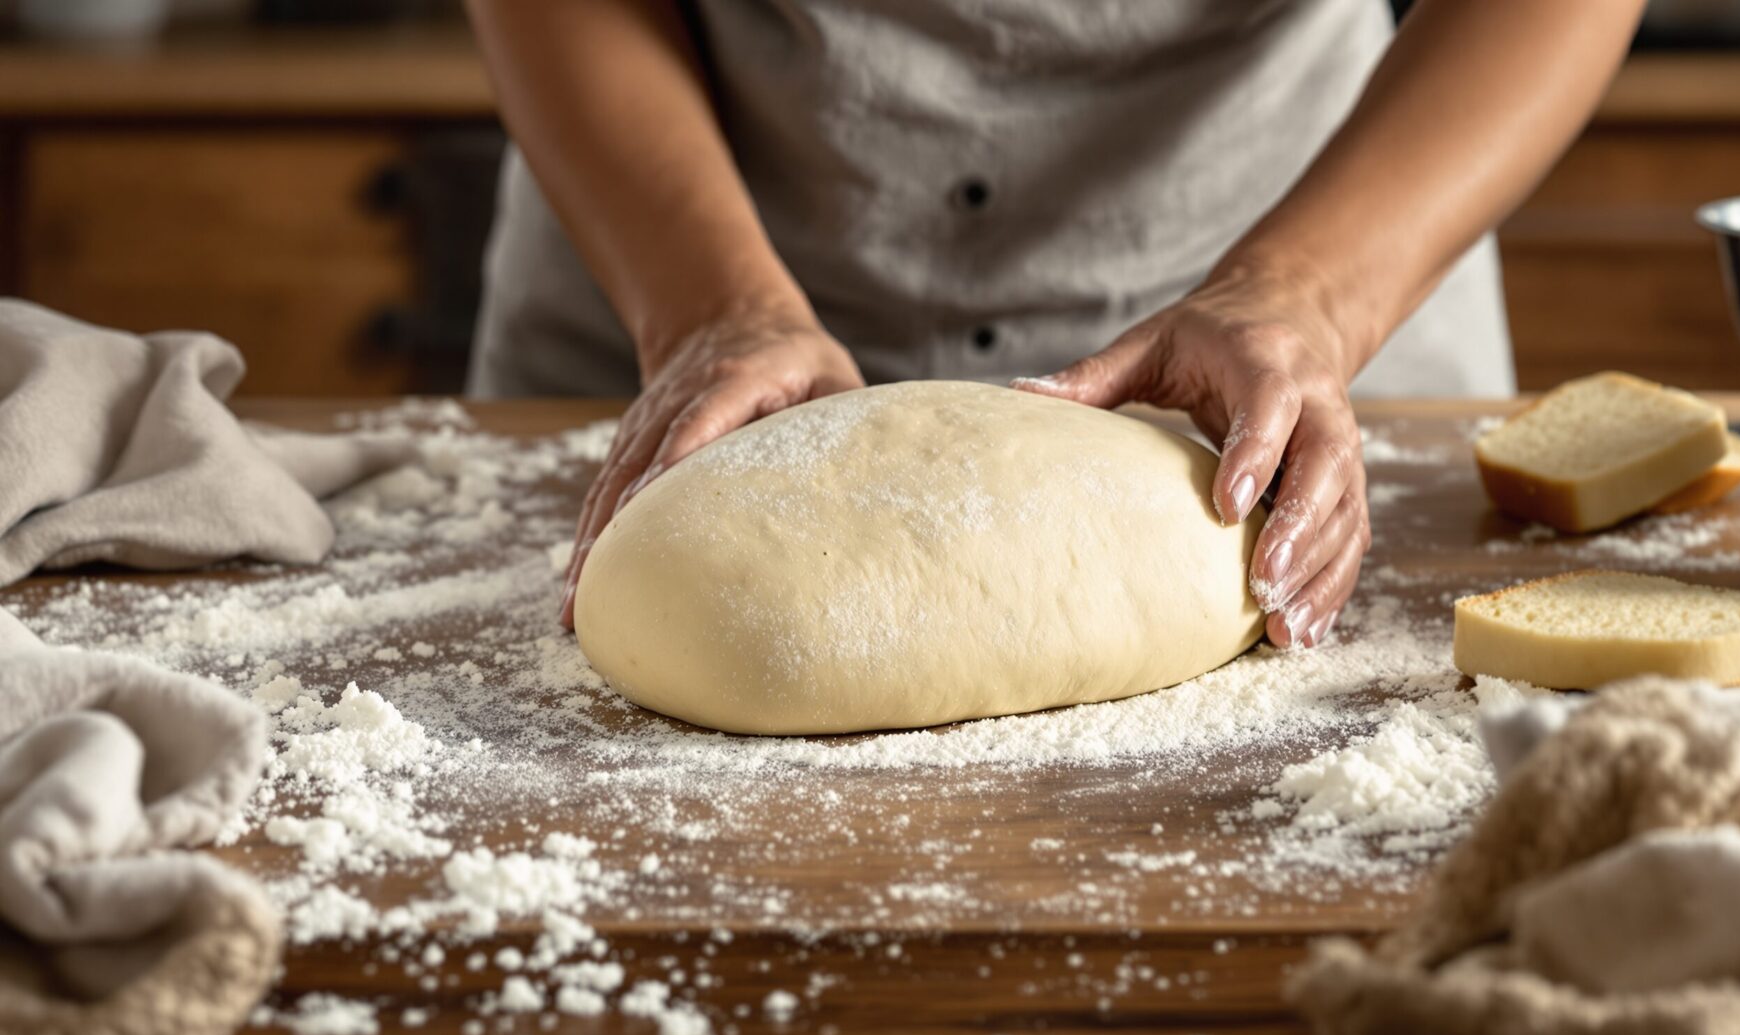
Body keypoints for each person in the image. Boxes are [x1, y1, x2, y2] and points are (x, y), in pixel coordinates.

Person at [465, 0, 1645, 643]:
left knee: (1255, 563)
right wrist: (706, 308)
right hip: (675, 228)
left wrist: (1306, 297)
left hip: (1303, 257)